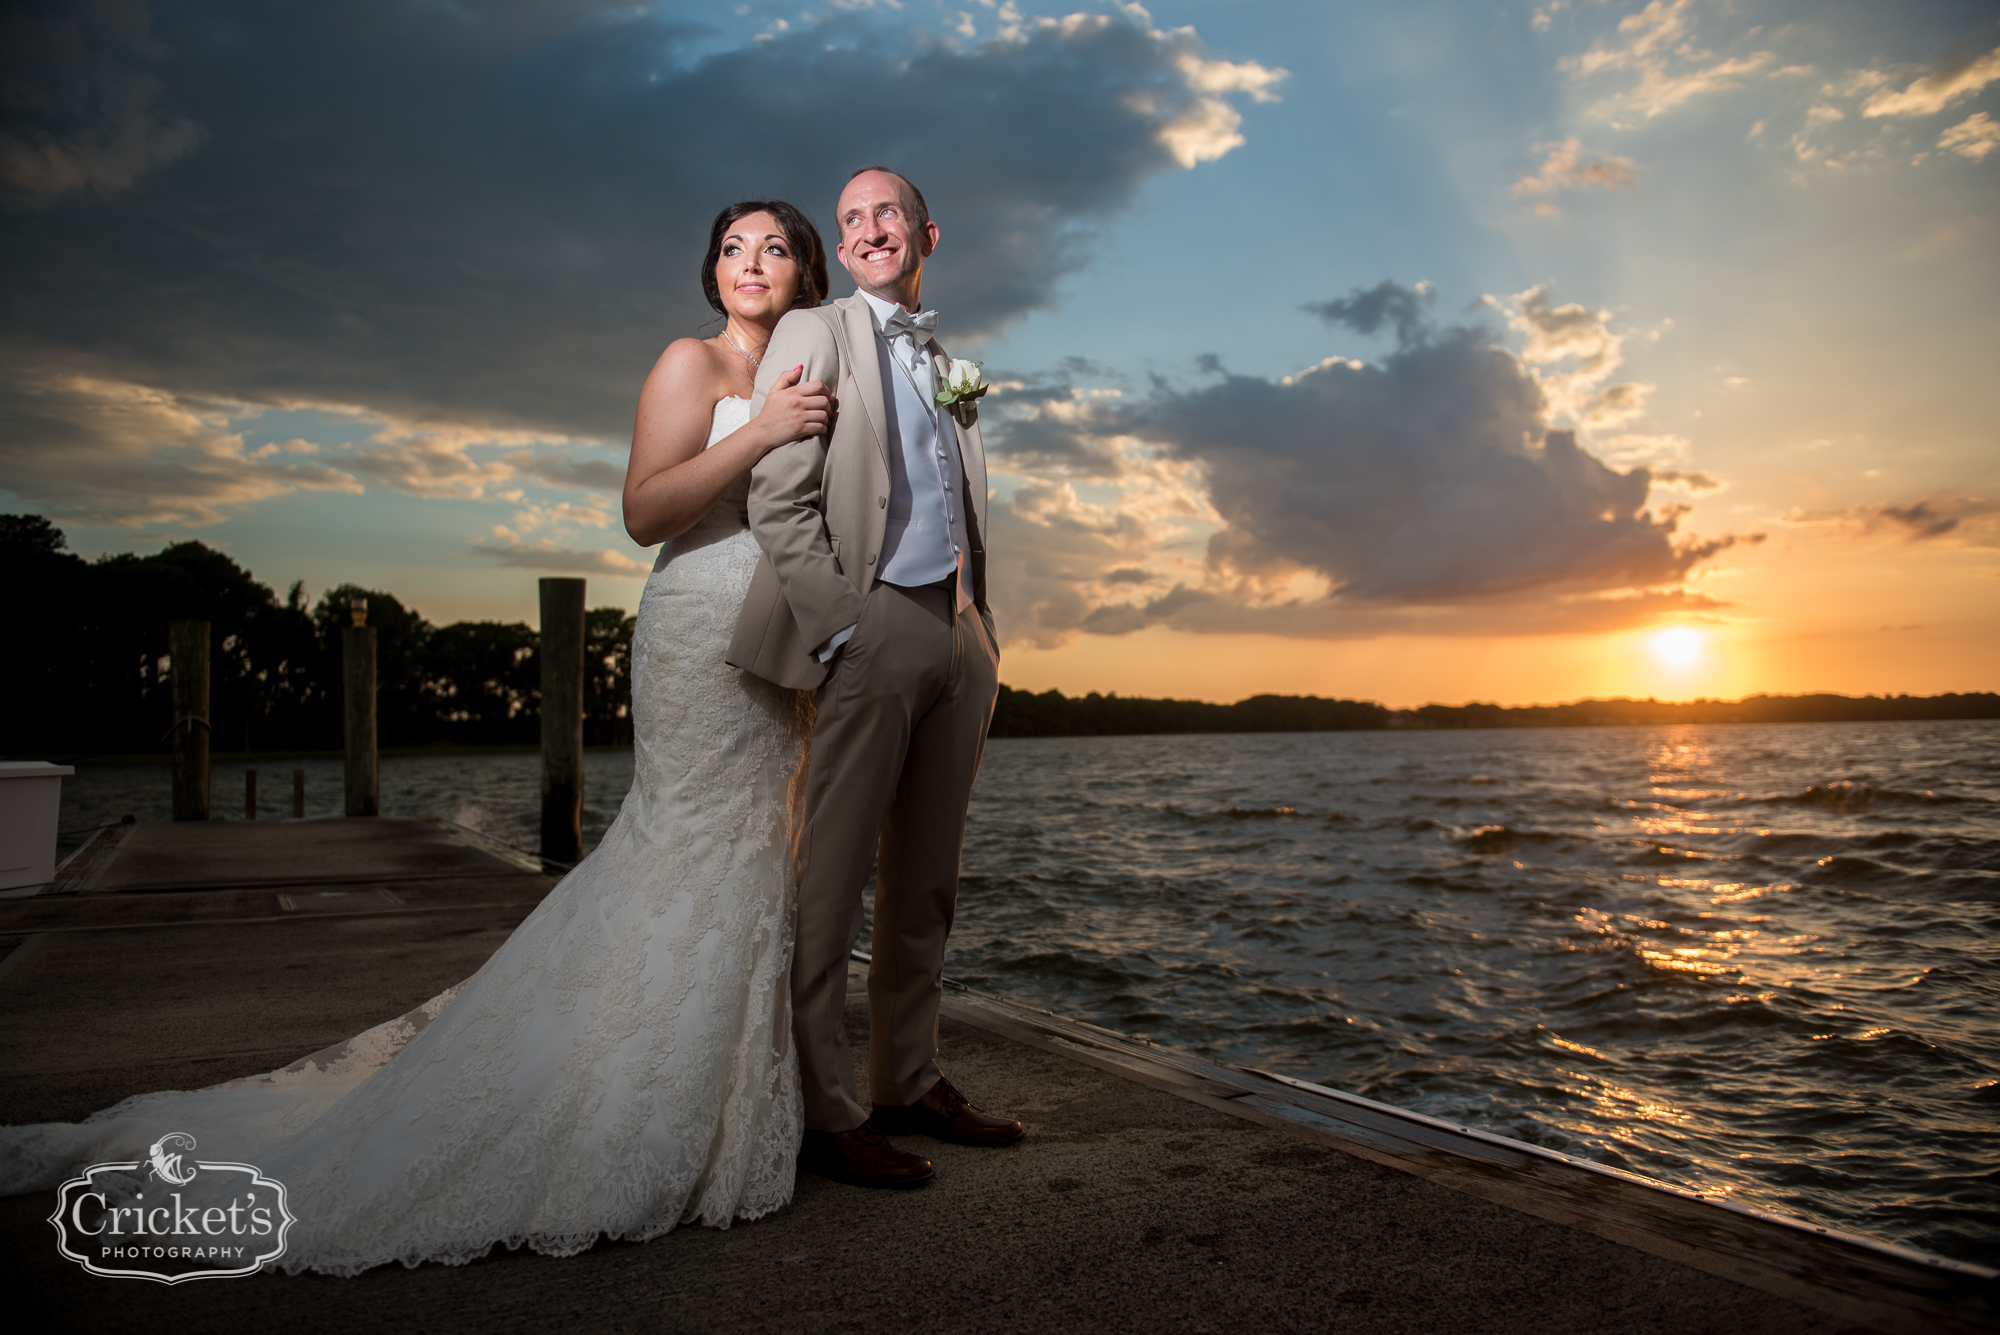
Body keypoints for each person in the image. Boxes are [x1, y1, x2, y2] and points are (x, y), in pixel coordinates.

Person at [0, 200, 835, 1275]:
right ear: (710, 271)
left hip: (786, 645)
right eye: (732, 247)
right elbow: (644, 509)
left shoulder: (814, 370)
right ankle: (633, 1097)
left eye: (773, 246)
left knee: (767, 853)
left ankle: (747, 1089)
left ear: (804, 269)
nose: (750, 263)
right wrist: (761, 430)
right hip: (695, 639)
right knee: (690, 848)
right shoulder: (692, 364)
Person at [727, 167, 1020, 1189]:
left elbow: (957, 499)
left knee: (925, 882)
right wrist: (842, 625)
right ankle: (825, 1107)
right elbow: (777, 497)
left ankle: (909, 1077)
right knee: (829, 877)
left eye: (882, 212)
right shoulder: (815, 332)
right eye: (847, 219)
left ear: (924, 231)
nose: (864, 229)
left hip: (960, 634)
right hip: (871, 625)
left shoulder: (946, 357)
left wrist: (978, 624)